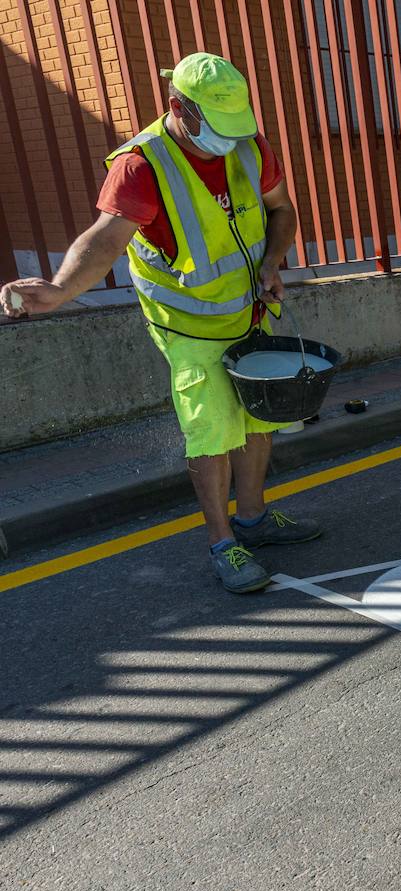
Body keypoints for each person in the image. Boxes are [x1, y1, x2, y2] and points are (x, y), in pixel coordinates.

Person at [0, 52, 319, 594]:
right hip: (189, 325)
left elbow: (281, 210)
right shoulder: (142, 164)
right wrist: (58, 289)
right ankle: (224, 545)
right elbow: (104, 241)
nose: (231, 140)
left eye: (236, 127)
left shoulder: (249, 144)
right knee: (212, 432)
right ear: (179, 107)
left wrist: (272, 262)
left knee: (258, 423)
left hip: (251, 311)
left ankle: (255, 520)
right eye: (218, 129)